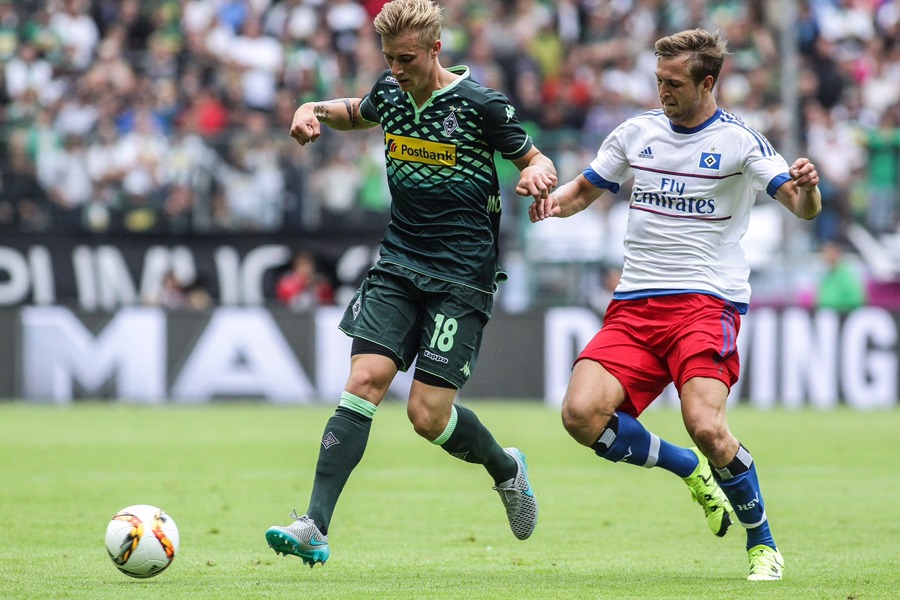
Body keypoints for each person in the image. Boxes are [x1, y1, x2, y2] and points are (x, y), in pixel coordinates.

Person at [265, 0, 557, 567]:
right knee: (364, 379)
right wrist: (312, 108)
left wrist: (537, 172)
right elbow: (358, 110)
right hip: (399, 262)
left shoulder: (480, 105)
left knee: (426, 416)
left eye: (406, 58)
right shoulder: (392, 91)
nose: (396, 69)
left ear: (435, 50)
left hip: (460, 275)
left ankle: (506, 468)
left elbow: (533, 157)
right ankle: (314, 526)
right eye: (389, 58)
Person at [529, 29, 821, 581]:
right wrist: (549, 203)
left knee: (707, 426)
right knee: (580, 415)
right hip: (635, 305)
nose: (661, 91)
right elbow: (583, 192)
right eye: (657, 80)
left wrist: (808, 187)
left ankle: (763, 543)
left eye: (673, 83)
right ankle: (687, 469)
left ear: (707, 83)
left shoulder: (741, 142)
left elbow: (801, 207)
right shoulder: (636, 133)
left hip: (706, 303)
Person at [815, 240, 866, 313]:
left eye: (828, 253)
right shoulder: (827, 275)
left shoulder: (846, 275)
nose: (825, 256)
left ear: (837, 253)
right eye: (824, 253)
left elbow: (856, 300)